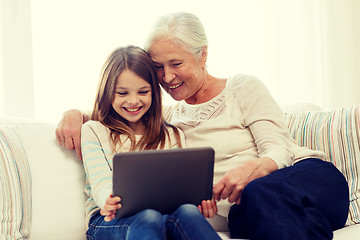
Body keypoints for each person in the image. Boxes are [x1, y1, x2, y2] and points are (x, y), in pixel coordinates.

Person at [56, 12, 349, 240]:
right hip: (253, 211)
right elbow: (125, 109)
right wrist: (76, 113)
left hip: (307, 181)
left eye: (176, 63)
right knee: (252, 213)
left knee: (258, 191)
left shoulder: (242, 87)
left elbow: (279, 147)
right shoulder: (169, 118)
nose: (167, 76)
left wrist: (252, 170)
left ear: (203, 55)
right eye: (158, 66)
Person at [79, 45, 221, 240]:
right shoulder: (94, 131)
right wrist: (108, 199)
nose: (133, 101)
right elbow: (100, 181)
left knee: (187, 212)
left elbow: (180, 187)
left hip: (162, 216)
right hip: (107, 220)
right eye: (122, 93)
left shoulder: (171, 134)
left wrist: (198, 202)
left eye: (143, 92)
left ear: (154, 92)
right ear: (107, 92)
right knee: (148, 217)